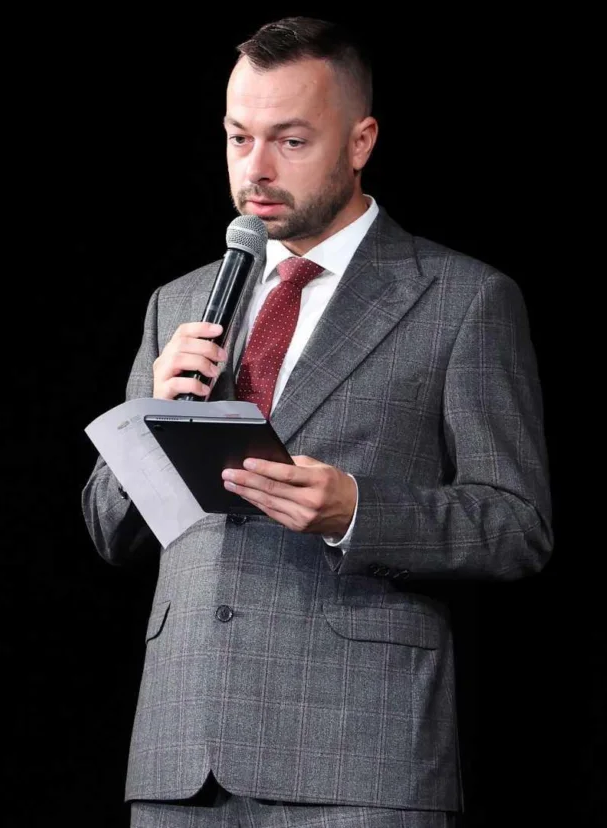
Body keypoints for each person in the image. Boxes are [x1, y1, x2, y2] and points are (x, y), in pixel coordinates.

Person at [80, 15, 553, 828]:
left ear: (360, 141)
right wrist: (150, 415)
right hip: (182, 758)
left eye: (291, 141)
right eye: (239, 138)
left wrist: (356, 511)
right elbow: (108, 530)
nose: (256, 170)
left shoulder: (463, 298)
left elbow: (517, 526)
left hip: (358, 756)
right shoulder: (180, 303)